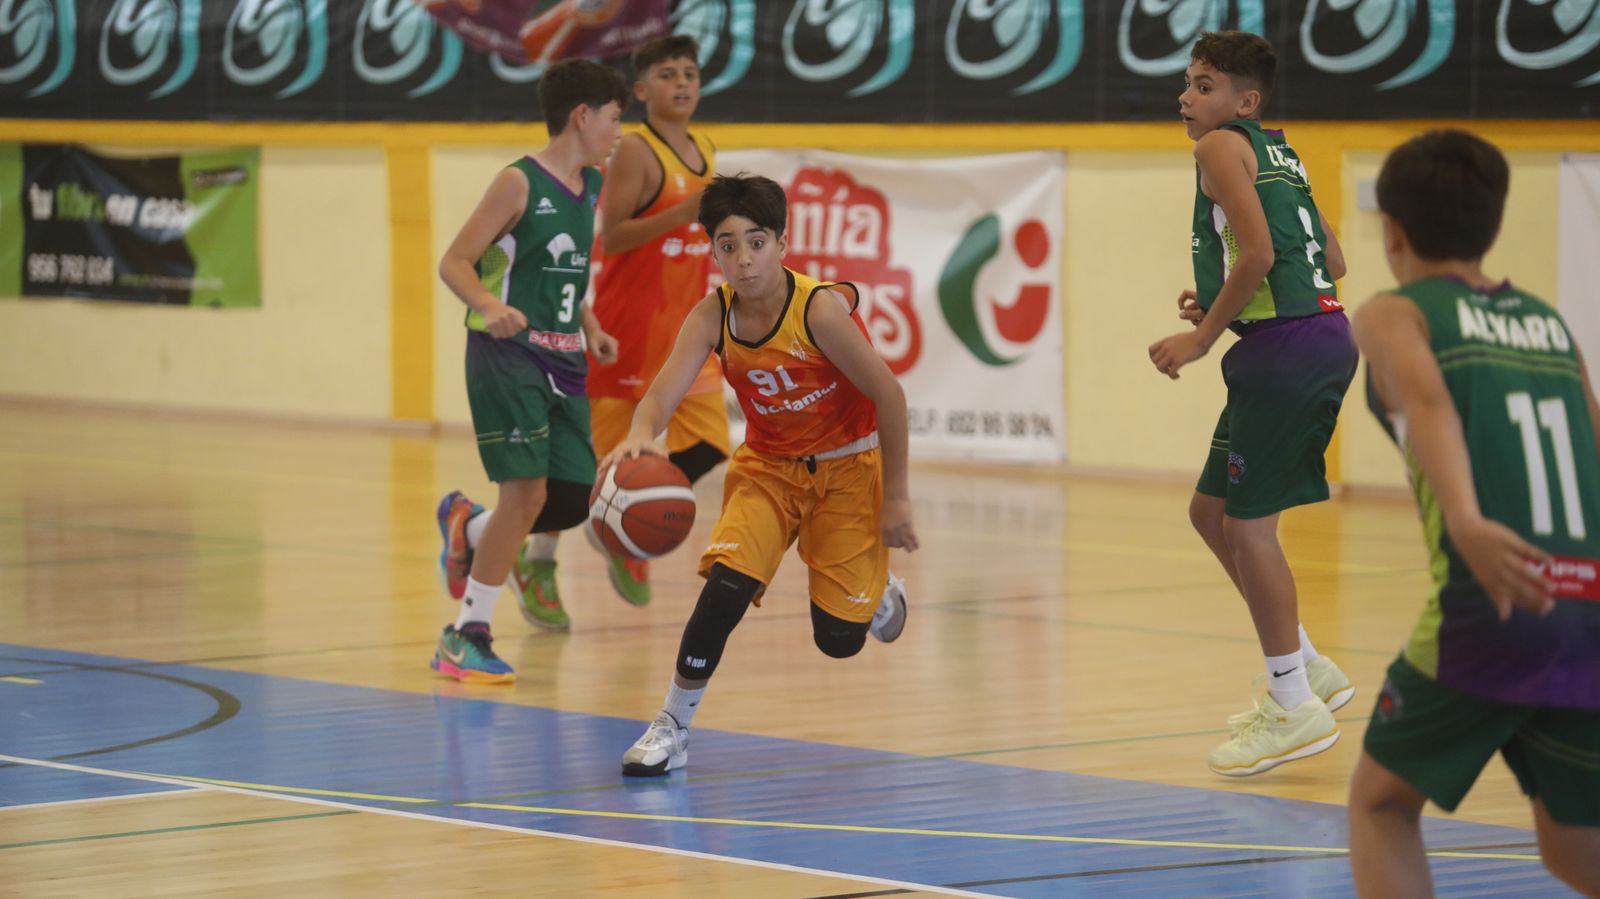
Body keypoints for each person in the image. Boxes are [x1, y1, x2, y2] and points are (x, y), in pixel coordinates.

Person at [1347, 129, 1600, 897]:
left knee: (1380, 804)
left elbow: (1429, 404)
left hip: (1494, 597)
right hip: (1586, 608)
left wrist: (1463, 515)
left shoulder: (1394, 313)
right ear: (1492, 225)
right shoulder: (1551, 325)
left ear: (1391, 230)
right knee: (1575, 852)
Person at [603, 174, 915, 776]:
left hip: (849, 469)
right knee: (726, 586)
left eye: (756, 242)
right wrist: (642, 434)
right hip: (769, 471)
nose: (743, 260)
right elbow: (662, 392)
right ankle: (672, 725)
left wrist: (896, 498)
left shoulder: (818, 309)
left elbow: (890, 395)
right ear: (713, 251)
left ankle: (875, 588)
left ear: (782, 242)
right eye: (727, 245)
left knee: (838, 641)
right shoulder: (713, 313)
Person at [1146, 30, 1358, 775]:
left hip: (1288, 350)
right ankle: (1308, 664)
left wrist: (1202, 335)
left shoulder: (1217, 150)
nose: (1186, 96)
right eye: (1188, 83)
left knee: (1250, 530)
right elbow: (1330, 260)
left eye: (1204, 85)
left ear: (1246, 99)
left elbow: (1263, 254)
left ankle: (1292, 699)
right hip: (1313, 335)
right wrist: (1221, 297)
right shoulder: (1280, 150)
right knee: (1210, 513)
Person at [429, 58, 629, 683]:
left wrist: (590, 324)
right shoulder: (517, 182)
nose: (619, 131)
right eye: (616, 118)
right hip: (507, 355)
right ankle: (466, 635)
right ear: (582, 116)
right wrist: (488, 306)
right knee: (526, 493)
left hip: (564, 356)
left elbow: (560, 270)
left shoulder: (592, 185)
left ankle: (468, 525)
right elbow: (457, 261)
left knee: (569, 500)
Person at [523, 34, 732, 627]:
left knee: (712, 444)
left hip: (682, 336)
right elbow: (610, 238)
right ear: (640, 92)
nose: (683, 83)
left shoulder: (705, 147)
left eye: (690, 72)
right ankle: (537, 558)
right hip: (625, 331)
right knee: (579, 473)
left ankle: (622, 518)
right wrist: (682, 214)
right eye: (668, 74)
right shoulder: (638, 151)